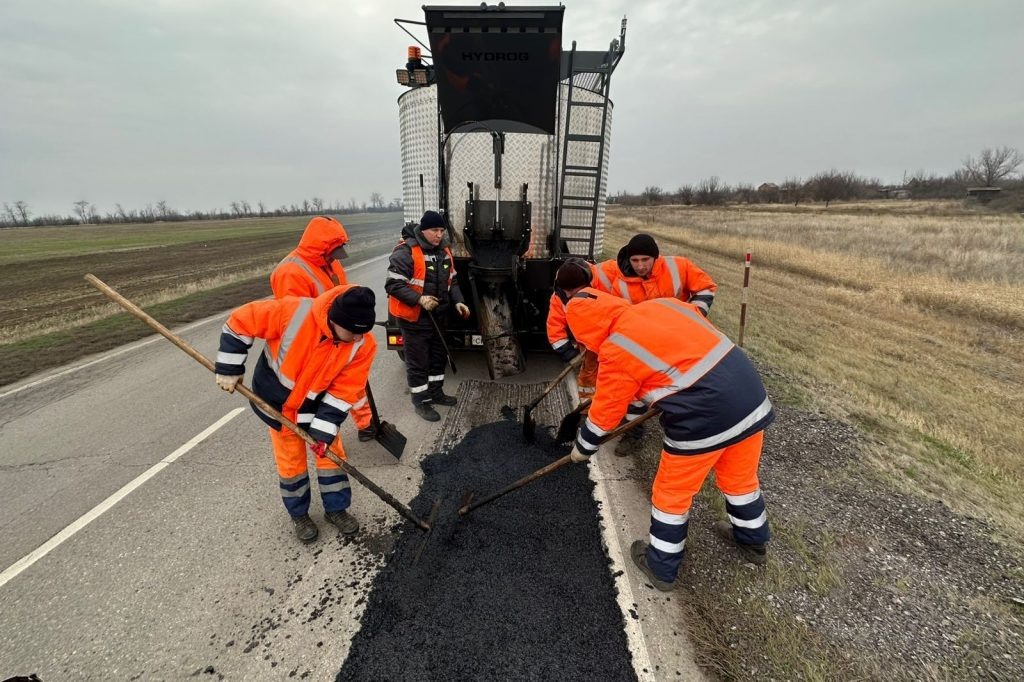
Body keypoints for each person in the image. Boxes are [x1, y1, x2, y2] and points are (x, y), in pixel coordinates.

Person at [564, 287, 774, 591]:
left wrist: (583, 447)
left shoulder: (616, 347)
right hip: (750, 399)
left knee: (671, 495)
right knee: (740, 479)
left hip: (705, 417)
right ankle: (754, 543)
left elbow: (605, 412)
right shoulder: (664, 306)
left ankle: (661, 567)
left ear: (585, 331)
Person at [214, 284, 377, 543]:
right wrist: (229, 367)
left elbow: (344, 391)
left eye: (362, 334)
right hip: (276, 405)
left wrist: (324, 432)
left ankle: (336, 510)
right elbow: (240, 321)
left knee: (331, 458)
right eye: (352, 333)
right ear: (334, 320)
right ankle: (299, 515)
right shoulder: (293, 312)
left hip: (318, 408)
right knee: (291, 464)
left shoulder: (363, 345)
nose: (357, 339)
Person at [270, 215, 377, 442]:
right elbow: (294, 320)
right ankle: (323, 435)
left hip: (339, 336)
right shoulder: (291, 272)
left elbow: (342, 293)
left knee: (352, 384)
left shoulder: (331, 262)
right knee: (326, 393)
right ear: (320, 248)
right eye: (332, 252)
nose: (335, 258)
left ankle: (367, 424)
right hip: (316, 346)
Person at [385, 210, 470, 422]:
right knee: (418, 362)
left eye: (442, 230)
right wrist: (419, 299)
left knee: (438, 358)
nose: (439, 234)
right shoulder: (406, 252)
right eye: (435, 230)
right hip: (415, 319)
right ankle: (421, 402)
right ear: (423, 230)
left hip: (439, 318)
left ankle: (436, 392)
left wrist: (459, 301)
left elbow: (453, 282)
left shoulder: (444, 252)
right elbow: (393, 284)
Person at [595, 233, 717, 315]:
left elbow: (705, 287)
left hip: (680, 329)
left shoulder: (679, 265)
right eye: (635, 260)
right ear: (629, 259)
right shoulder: (620, 285)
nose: (640, 266)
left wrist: (693, 316)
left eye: (645, 259)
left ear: (655, 257)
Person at [546, 258, 602, 402]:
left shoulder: (603, 287)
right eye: (566, 291)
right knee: (587, 377)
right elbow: (555, 330)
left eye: (574, 291)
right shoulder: (558, 297)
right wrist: (570, 354)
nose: (569, 295)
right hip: (585, 344)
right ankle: (586, 410)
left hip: (608, 342)